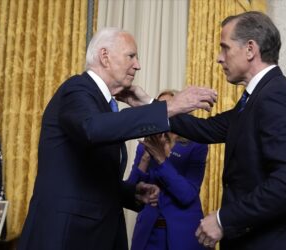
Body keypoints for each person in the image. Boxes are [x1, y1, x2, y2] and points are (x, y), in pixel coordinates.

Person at [17, 28, 217, 250]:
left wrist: (131, 193)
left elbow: (90, 176)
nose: (138, 65)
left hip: (97, 234)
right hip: (67, 236)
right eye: (131, 56)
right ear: (105, 57)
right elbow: (92, 129)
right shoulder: (77, 89)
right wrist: (168, 107)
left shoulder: (103, 104)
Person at [168, 11, 286, 250]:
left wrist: (224, 219)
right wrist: (150, 106)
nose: (218, 58)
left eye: (225, 48)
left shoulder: (277, 97)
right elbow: (206, 129)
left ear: (250, 49)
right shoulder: (256, 98)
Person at [127, 90, 209, 250]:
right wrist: (145, 157)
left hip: (183, 234)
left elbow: (186, 195)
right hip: (148, 234)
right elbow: (131, 191)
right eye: (159, 108)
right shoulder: (145, 144)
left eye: (169, 107)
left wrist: (161, 159)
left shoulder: (197, 145)